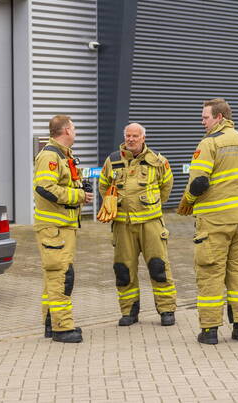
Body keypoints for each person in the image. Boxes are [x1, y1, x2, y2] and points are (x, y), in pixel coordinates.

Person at [176, 98, 238, 345]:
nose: (202, 122)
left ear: (219, 117)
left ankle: (210, 331)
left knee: (210, 273)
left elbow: (199, 182)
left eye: (205, 117)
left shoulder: (209, 143)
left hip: (214, 222)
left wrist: (188, 201)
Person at [98, 123, 177, 327]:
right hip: (122, 225)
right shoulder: (113, 160)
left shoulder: (157, 160)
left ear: (143, 138)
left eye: (135, 136)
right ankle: (129, 312)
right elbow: (103, 186)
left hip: (151, 224)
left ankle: (167, 310)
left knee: (159, 267)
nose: (131, 139)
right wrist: (112, 203)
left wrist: (153, 205)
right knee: (123, 270)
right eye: (128, 135)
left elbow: (166, 185)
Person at [33, 114, 92, 343]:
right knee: (61, 276)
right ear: (66, 130)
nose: (75, 132)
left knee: (54, 277)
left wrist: (80, 189)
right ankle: (62, 328)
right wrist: (78, 196)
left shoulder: (63, 155)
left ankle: (51, 323)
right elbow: (44, 187)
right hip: (54, 228)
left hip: (63, 227)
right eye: (73, 128)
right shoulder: (50, 155)